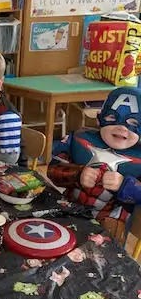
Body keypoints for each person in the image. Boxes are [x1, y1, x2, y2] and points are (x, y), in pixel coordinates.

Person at [48, 86, 141, 224]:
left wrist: (125, 185)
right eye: (112, 117)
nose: (122, 127)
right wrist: (77, 173)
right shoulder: (78, 139)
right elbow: (52, 171)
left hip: (109, 227)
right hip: (67, 211)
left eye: (133, 123)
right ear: (99, 118)